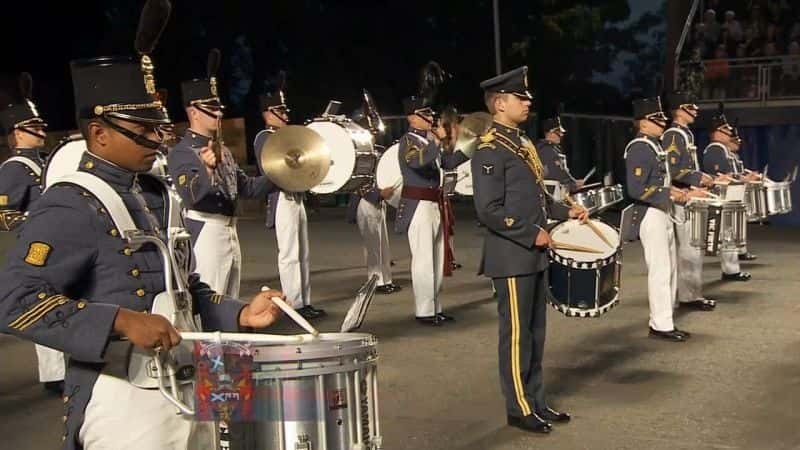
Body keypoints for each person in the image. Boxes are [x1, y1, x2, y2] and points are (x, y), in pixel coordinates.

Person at [0, 2, 284, 448]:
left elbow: (184, 288)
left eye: (157, 126)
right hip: (124, 402)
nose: (157, 137)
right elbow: (13, 301)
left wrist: (240, 312)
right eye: (143, 128)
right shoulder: (70, 203)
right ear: (99, 134)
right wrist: (119, 320)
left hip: (189, 383)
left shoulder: (152, 192)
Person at [472, 66, 587, 433]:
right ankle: (518, 407)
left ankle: (536, 400)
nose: (527, 104)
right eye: (521, 98)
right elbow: (488, 211)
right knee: (518, 335)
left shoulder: (520, 144)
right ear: (500, 103)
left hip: (532, 254)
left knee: (537, 334)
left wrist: (564, 211)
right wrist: (530, 233)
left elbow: (535, 200)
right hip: (511, 255)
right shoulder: (490, 149)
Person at [168, 49, 276, 298]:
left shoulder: (223, 150)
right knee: (210, 304)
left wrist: (282, 176)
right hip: (206, 231)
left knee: (229, 304)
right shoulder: (182, 152)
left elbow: (246, 187)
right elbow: (191, 195)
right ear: (193, 112)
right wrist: (206, 169)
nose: (219, 113)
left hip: (230, 231)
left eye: (219, 107)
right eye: (211, 108)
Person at [0, 72, 65, 393]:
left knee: (63, 300)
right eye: (34, 127)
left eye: (41, 126)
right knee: (46, 303)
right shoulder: (14, 167)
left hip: (54, 242)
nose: (41, 131)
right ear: (17, 132)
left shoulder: (41, 162)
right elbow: (3, 213)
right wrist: (36, 222)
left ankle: (62, 368)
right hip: (37, 246)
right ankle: (53, 375)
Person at [622, 96, 699, 342]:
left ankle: (667, 315)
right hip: (649, 213)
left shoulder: (653, 145)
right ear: (643, 123)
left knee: (670, 267)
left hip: (662, 210)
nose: (662, 123)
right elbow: (636, 189)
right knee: (660, 269)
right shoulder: (639, 147)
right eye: (656, 120)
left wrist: (677, 193)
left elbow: (660, 182)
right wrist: (671, 193)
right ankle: (660, 324)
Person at [253, 78, 326, 319]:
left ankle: (304, 299)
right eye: (280, 110)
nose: (285, 114)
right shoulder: (265, 136)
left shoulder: (286, 135)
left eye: (285, 110)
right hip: (281, 197)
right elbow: (272, 168)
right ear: (267, 113)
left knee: (302, 253)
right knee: (289, 254)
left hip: (295, 195)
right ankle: (294, 303)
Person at [394, 96, 468, 325]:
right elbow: (417, 162)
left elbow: (447, 163)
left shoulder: (426, 141)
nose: (431, 117)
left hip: (434, 203)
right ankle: (424, 310)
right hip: (419, 206)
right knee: (424, 259)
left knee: (436, 257)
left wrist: (471, 146)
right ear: (412, 118)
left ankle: (435, 306)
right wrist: (437, 142)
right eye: (425, 113)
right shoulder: (408, 141)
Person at [662, 91, 717, 312]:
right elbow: (673, 169)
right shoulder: (674, 134)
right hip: (679, 197)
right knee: (688, 248)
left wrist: (698, 179)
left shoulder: (685, 133)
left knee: (693, 247)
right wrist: (697, 178)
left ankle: (690, 293)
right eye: (690, 108)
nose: (696, 111)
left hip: (688, 193)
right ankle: (687, 296)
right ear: (679, 111)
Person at [346, 109, 400, 294]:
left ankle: (386, 279)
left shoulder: (375, 151)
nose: (374, 133)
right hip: (366, 201)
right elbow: (359, 182)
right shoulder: (354, 154)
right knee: (372, 245)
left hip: (378, 201)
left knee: (382, 243)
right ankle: (375, 281)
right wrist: (378, 194)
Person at [702, 110, 754, 281]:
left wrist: (742, 177)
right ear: (717, 132)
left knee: (730, 232)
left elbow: (731, 173)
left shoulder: (723, 149)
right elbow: (719, 174)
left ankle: (732, 269)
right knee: (726, 233)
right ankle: (730, 270)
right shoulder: (715, 149)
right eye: (725, 129)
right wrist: (741, 178)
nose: (730, 133)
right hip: (722, 195)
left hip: (730, 194)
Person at [536, 114, 583, 196]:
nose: (561, 135)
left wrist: (573, 182)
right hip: (553, 196)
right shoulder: (546, 150)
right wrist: (573, 184)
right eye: (558, 132)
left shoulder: (550, 149)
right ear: (550, 133)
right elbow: (556, 174)